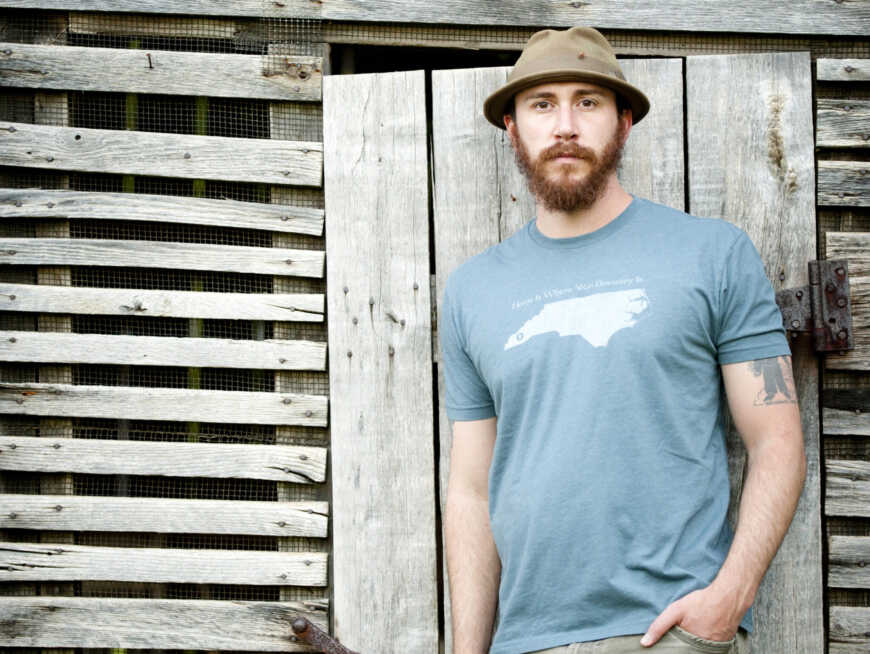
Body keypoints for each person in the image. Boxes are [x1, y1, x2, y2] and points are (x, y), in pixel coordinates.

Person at [440, 26, 806, 654]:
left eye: (587, 102)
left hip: (669, 634)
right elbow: (472, 490)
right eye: (541, 104)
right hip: (527, 641)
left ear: (624, 121)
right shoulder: (473, 290)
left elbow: (776, 439)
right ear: (512, 127)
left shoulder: (712, 254)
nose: (564, 126)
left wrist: (729, 599)